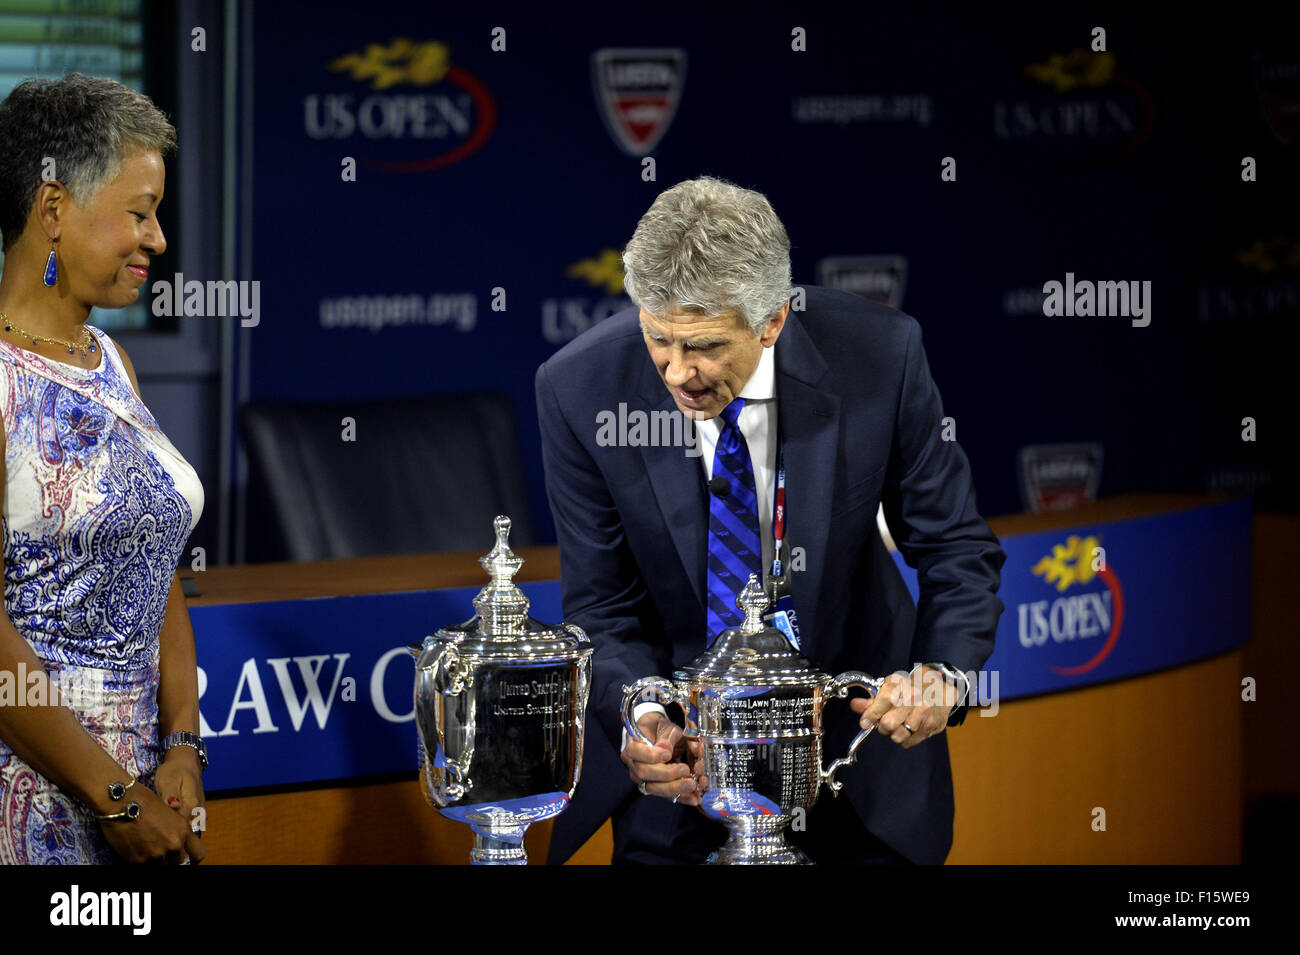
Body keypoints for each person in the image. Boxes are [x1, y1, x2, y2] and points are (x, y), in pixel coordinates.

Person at [535, 177, 1006, 864]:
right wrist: (646, 719)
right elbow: (600, 603)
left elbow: (957, 545)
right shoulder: (580, 388)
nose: (676, 371)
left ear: (773, 320)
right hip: (680, 785)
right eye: (658, 339)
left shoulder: (879, 355)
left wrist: (944, 676)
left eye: (704, 346)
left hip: (855, 767)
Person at [0, 73, 207, 864]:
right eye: (139, 213)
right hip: (34, 809)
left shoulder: (109, 360)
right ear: (52, 209)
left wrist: (182, 743)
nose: (156, 239)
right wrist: (116, 799)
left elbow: (154, 562)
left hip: (143, 798)